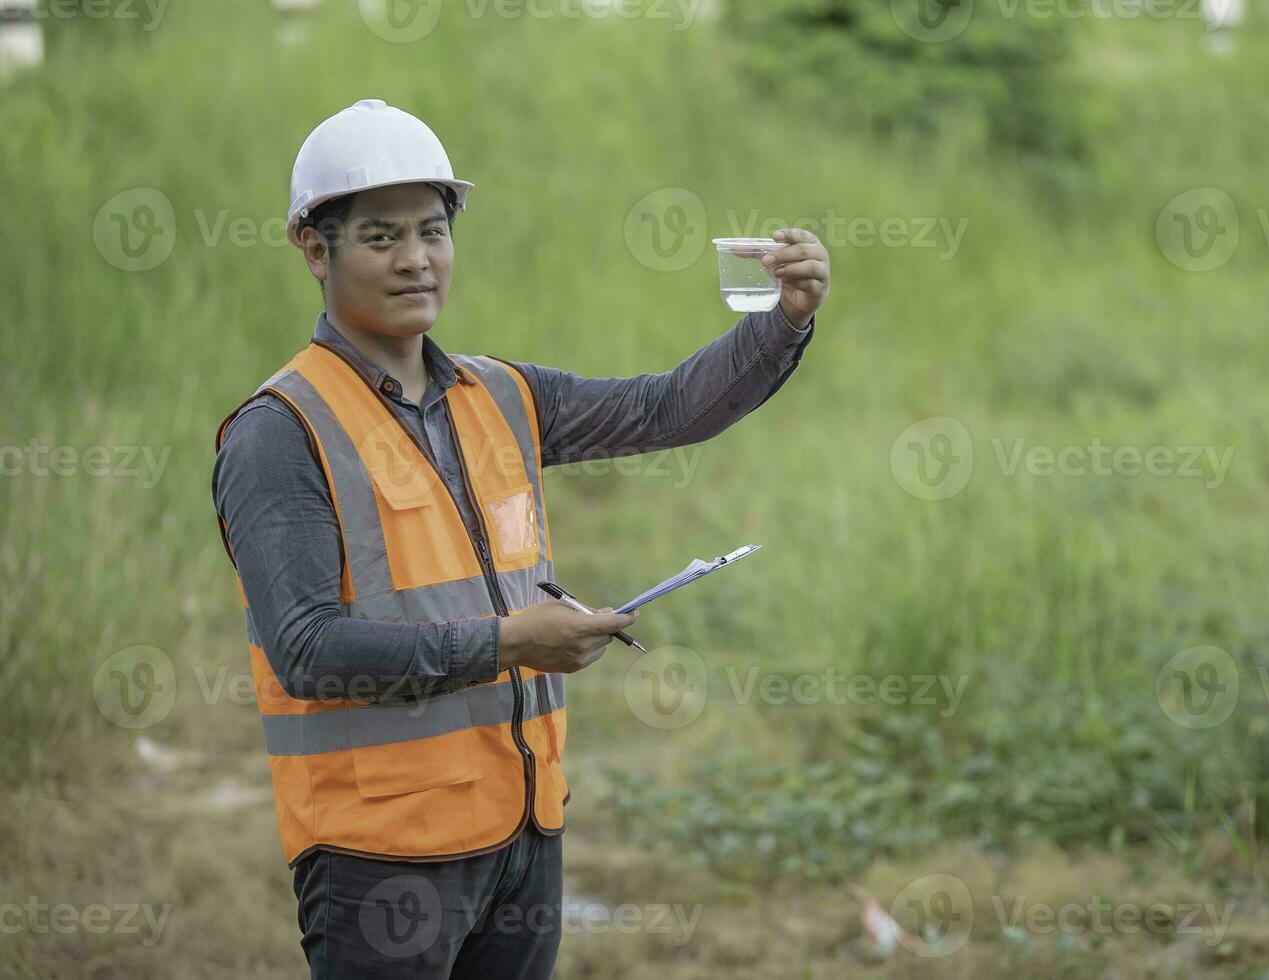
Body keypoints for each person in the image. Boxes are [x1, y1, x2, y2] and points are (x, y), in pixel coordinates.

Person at [210, 98, 829, 978]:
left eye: (432, 230)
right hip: (382, 858)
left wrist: (786, 319)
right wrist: (510, 644)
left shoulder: (500, 395)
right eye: (381, 237)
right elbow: (308, 649)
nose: (417, 259)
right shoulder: (280, 432)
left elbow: (668, 408)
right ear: (315, 248)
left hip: (523, 826)